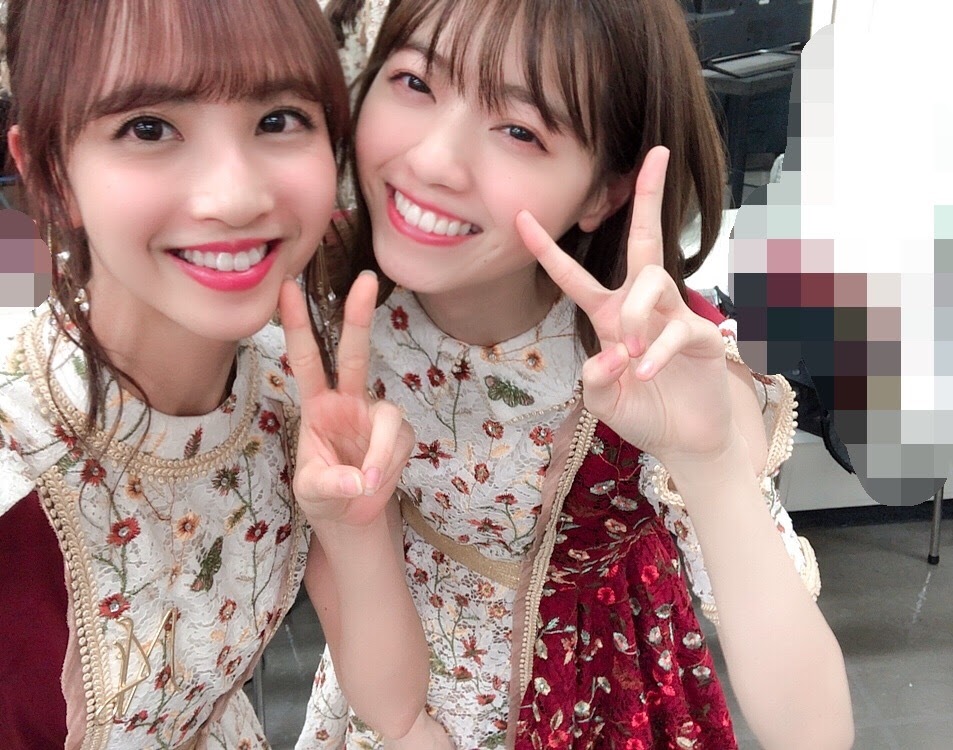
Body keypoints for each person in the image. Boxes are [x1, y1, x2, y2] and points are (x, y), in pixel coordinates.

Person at [297, 0, 856, 749]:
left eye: (520, 131)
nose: (432, 160)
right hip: (388, 694)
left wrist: (710, 461)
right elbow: (338, 569)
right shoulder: (322, 312)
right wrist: (405, 730)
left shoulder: (654, 356)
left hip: (606, 698)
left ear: (603, 191)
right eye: (415, 82)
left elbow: (816, 735)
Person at [0, 0, 449, 746]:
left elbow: (394, 710)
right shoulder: (18, 457)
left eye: (278, 120)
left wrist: (356, 531)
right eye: (148, 128)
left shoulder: (292, 395)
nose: (237, 198)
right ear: (49, 173)